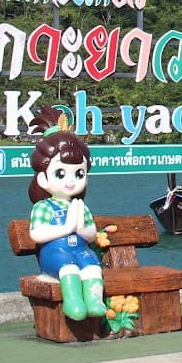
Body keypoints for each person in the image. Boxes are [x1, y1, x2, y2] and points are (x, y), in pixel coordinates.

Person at [27, 106, 110, 322]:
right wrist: (65, 228)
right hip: (55, 254)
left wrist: (82, 229)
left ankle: (94, 301)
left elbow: (91, 233)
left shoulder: (80, 206)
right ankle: (73, 302)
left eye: (79, 174)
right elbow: (37, 234)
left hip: (80, 249)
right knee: (68, 266)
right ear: (44, 179)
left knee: (91, 263)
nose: (71, 181)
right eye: (61, 174)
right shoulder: (44, 207)